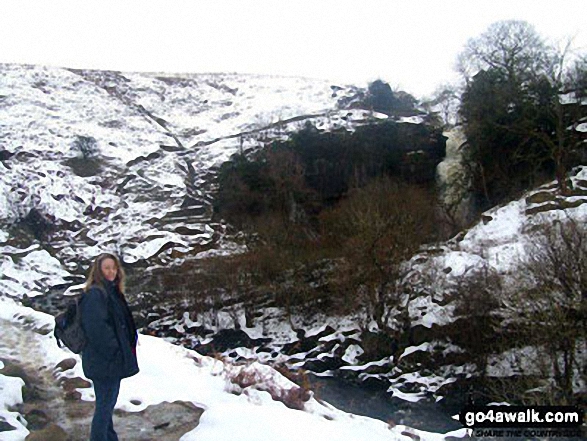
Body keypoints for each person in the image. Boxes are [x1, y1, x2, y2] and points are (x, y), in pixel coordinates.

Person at [80, 252, 139, 441]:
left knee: (106, 406)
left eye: (114, 268)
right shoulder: (96, 294)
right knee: (105, 408)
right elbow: (98, 330)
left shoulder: (111, 291)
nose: (111, 271)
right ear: (98, 271)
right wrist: (116, 352)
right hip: (105, 362)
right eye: (107, 268)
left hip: (106, 361)